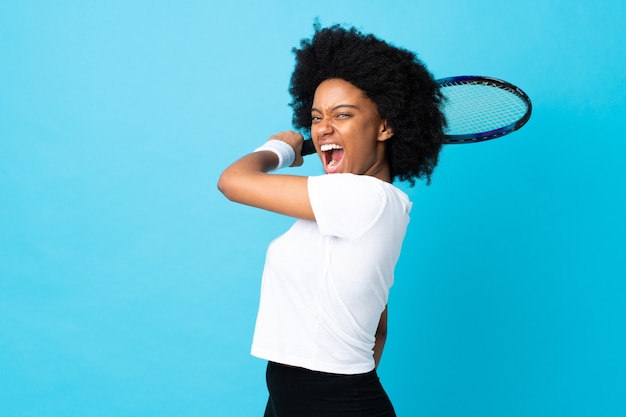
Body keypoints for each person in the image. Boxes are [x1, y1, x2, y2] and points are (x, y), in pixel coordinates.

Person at [218, 22, 446, 417]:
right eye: (317, 116)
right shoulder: (365, 204)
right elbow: (378, 326)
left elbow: (232, 181)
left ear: (386, 126)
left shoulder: (362, 197)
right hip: (295, 397)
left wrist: (279, 150)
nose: (323, 128)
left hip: (327, 401)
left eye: (342, 115)